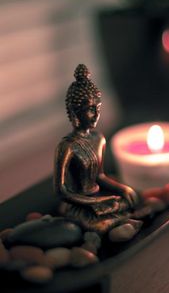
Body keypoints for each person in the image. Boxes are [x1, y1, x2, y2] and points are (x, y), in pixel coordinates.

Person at [54, 64, 140, 234]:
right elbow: (62, 191)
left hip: (99, 199)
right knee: (99, 224)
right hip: (80, 204)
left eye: (98, 109)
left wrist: (123, 189)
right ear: (75, 111)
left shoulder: (98, 138)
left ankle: (119, 221)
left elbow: (100, 176)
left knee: (129, 199)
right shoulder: (67, 146)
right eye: (90, 109)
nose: (96, 115)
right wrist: (95, 202)